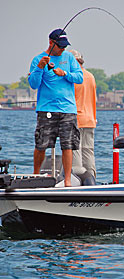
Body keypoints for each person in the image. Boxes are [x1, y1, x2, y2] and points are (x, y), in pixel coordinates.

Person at [28, 29, 83, 187]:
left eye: (65, 46)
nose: (63, 49)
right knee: (41, 145)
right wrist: (40, 67)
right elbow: (33, 84)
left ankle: (67, 181)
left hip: (68, 109)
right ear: (51, 43)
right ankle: (36, 175)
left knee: (68, 145)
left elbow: (79, 77)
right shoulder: (38, 59)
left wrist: (65, 73)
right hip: (47, 109)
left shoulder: (69, 58)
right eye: (60, 46)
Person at [69, 49, 97, 178]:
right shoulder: (90, 76)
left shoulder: (72, 78)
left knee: (75, 151)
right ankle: (91, 179)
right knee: (88, 151)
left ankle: (78, 179)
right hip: (90, 119)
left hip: (76, 119)